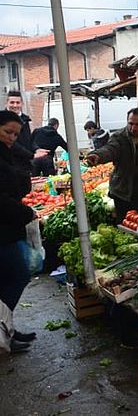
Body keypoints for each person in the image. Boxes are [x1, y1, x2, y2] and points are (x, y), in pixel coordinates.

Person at [0, 110, 38, 352]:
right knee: (19, 275)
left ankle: (7, 330)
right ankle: (3, 330)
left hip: (8, 224)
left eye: (16, 133)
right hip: (2, 227)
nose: (12, 137)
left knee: (6, 279)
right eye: (7, 132)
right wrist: (26, 213)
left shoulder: (8, 153)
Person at [85, 108, 138, 222]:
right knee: (127, 225)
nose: (133, 128)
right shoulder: (119, 137)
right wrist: (98, 156)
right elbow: (110, 149)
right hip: (124, 193)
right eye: (130, 123)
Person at [5, 91, 47, 174]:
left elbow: (29, 140)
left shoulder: (25, 120)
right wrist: (31, 155)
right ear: (7, 103)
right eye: (12, 102)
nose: (15, 105)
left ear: (22, 104)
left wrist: (36, 149)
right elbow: (11, 144)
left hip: (24, 165)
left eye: (18, 102)